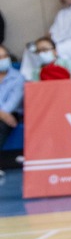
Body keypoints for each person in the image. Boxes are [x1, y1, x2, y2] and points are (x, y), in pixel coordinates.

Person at [0, 43, 22, 179]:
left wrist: (2, 114)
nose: (2, 60)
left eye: (4, 56)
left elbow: (11, 104)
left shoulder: (18, 78)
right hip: (4, 115)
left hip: (11, 114)